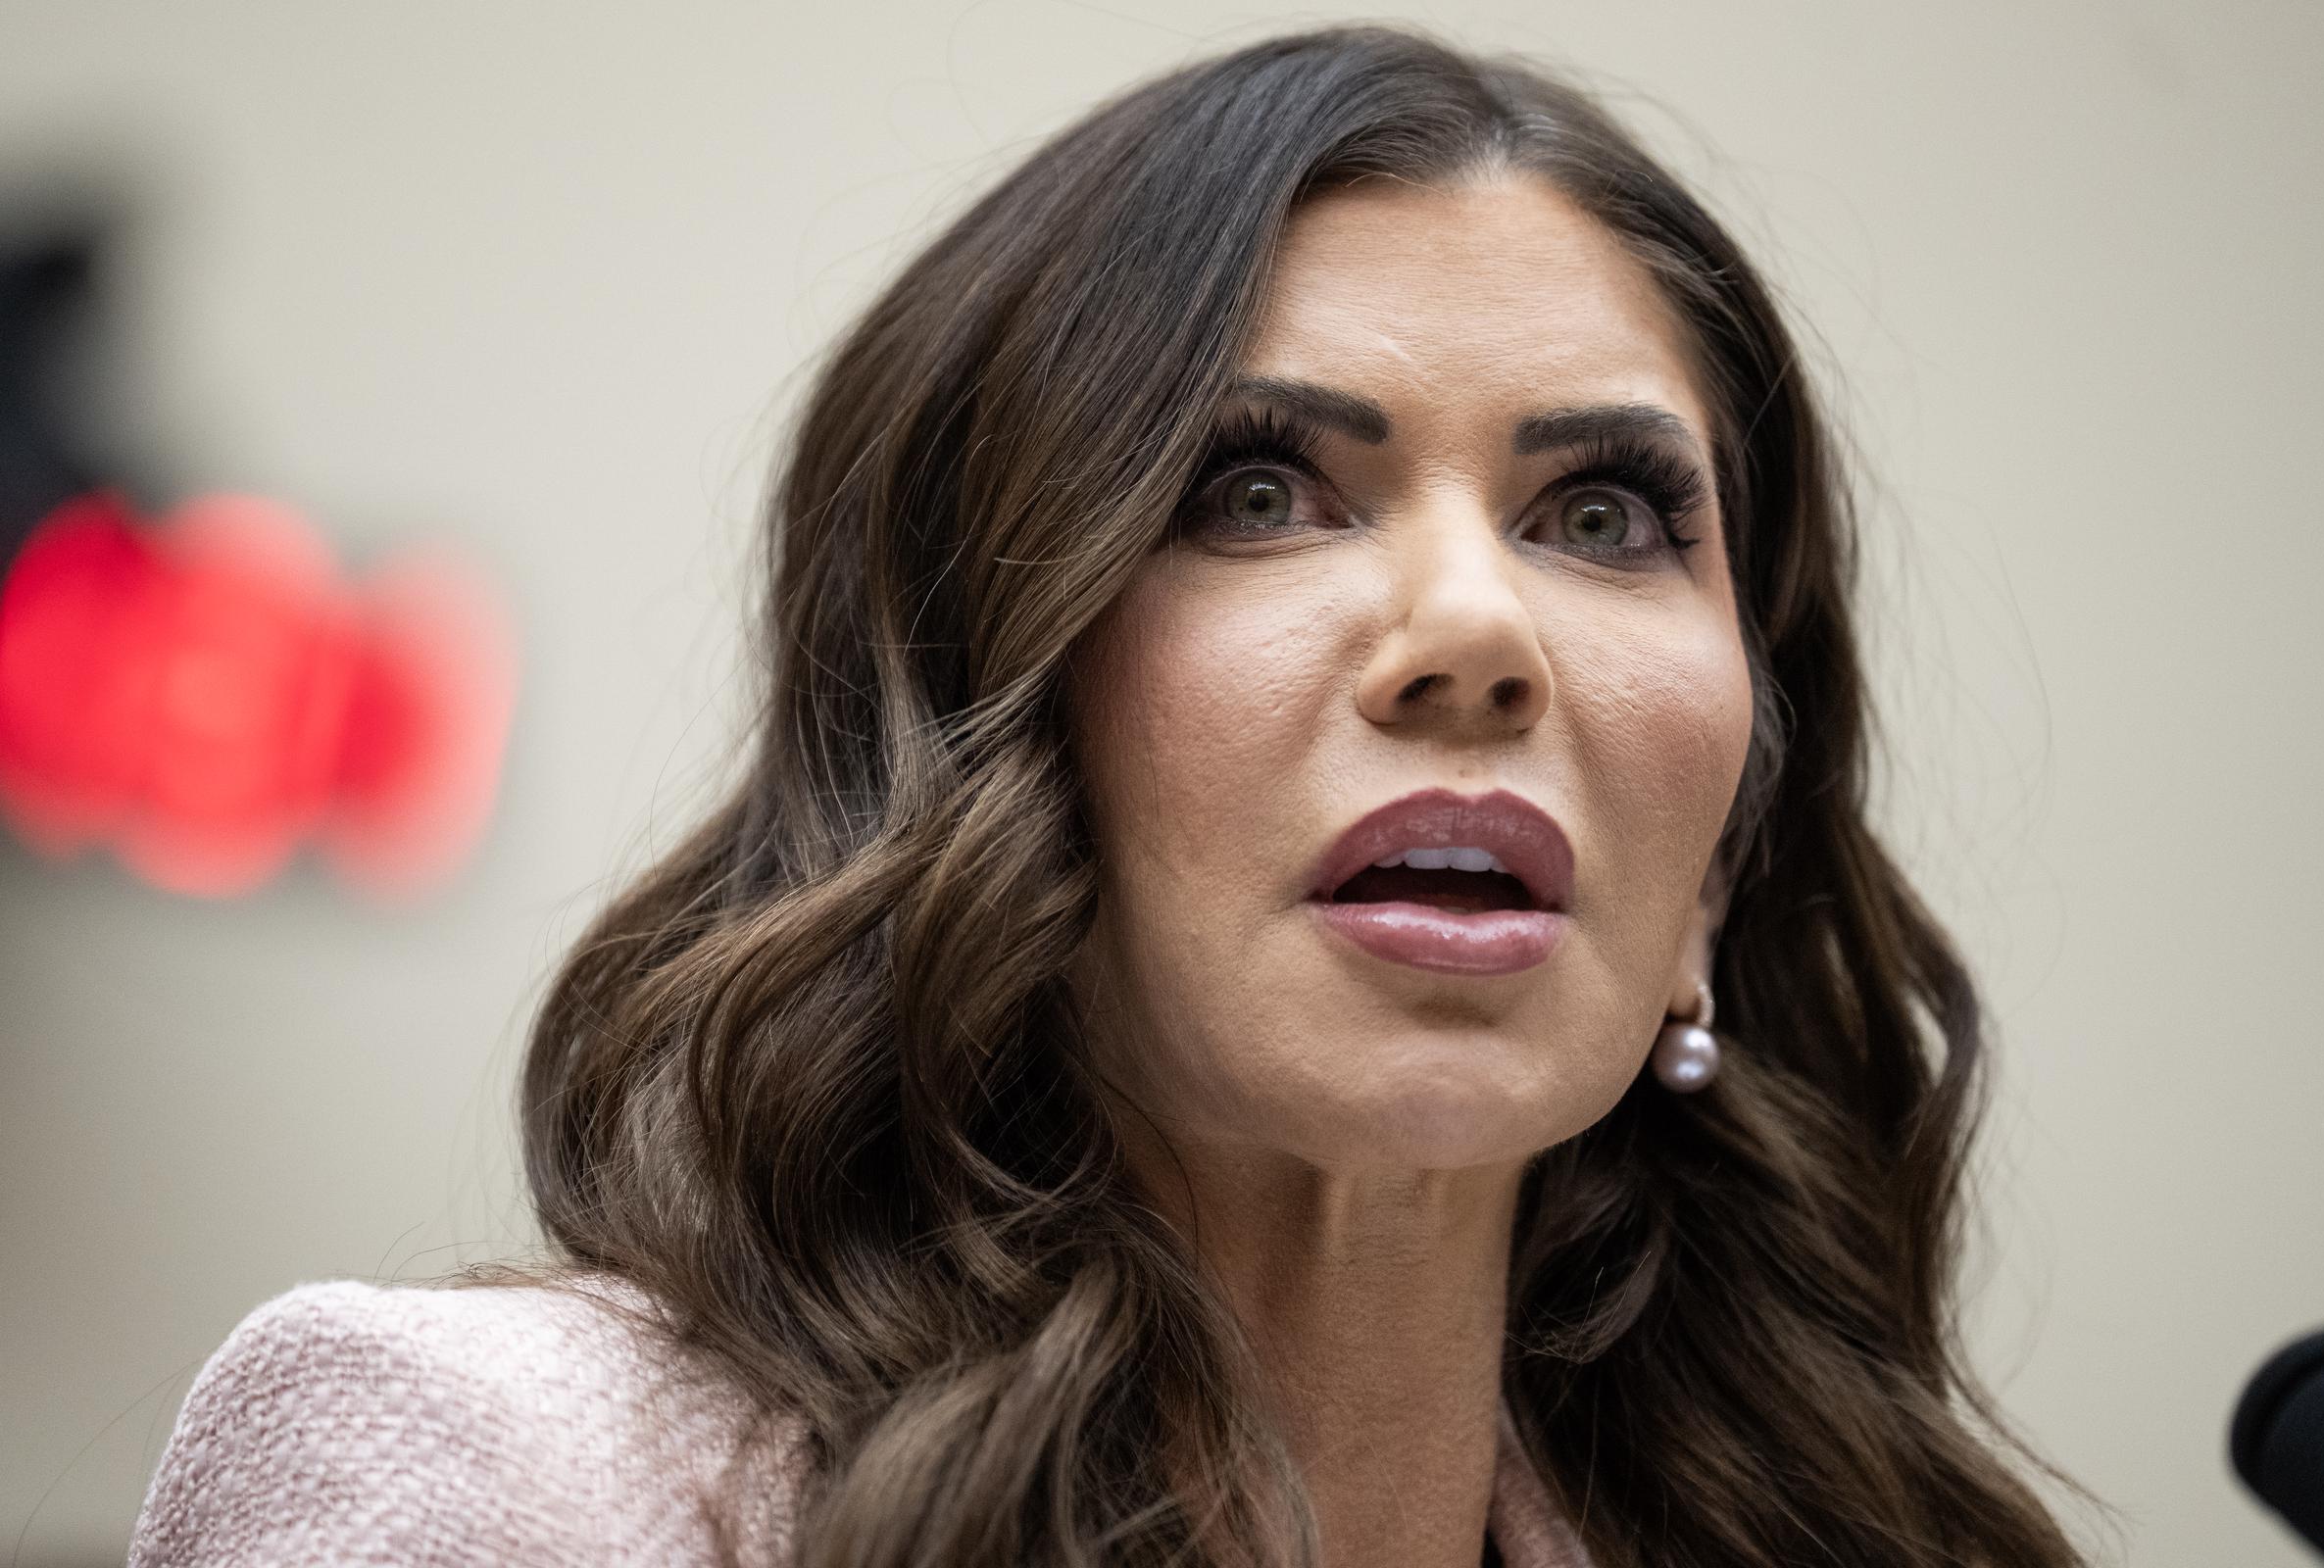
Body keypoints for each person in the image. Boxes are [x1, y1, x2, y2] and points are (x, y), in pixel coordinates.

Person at [126, 23, 2089, 1568]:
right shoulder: (498, 1479)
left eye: (1603, 513)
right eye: (1256, 491)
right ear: (977, 728)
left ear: (1718, 874)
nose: (1480, 633)